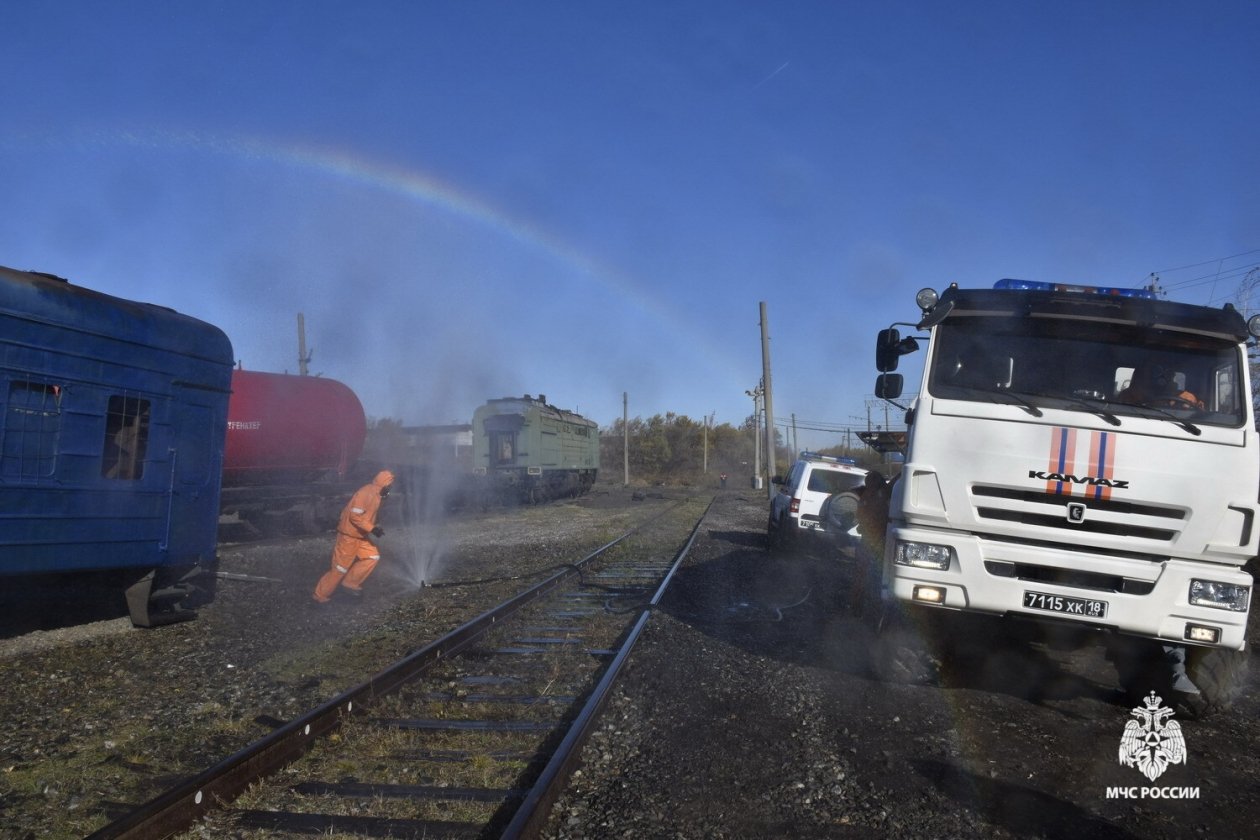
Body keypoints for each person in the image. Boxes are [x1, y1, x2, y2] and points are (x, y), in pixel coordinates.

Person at [313, 469, 395, 603]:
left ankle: (350, 583)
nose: (391, 487)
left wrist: (373, 526)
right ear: (384, 483)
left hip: (360, 535)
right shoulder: (366, 493)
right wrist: (372, 528)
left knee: (372, 557)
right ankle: (319, 597)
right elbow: (354, 516)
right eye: (390, 484)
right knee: (339, 569)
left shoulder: (378, 494)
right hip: (349, 536)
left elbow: (371, 514)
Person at [1118, 365, 1202, 409]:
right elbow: (1117, 411)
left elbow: (1200, 414)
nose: (1162, 377)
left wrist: (1184, 406)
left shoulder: (1186, 397)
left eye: (1168, 373)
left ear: (1172, 376)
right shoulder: (1130, 394)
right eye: (1155, 371)